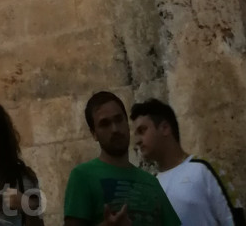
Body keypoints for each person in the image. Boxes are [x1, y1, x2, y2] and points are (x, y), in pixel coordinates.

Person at [63, 91, 180, 226]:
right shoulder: (82, 176)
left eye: (119, 120)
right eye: (105, 124)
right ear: (94, 134)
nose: (115, 129)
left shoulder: (151, 182)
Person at [131, 100, 246, 226]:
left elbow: (233, 219)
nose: (137, 141)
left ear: (165, 128)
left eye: (142, 131)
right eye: (135, 135)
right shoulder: (150, 187)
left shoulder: (202, 170)